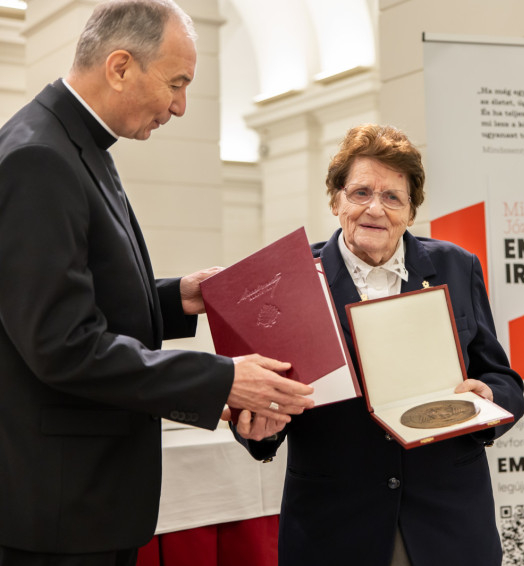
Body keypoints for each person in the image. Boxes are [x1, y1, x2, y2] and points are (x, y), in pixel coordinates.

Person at [0, 1, 314, 564]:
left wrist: (178, 298)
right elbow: (61, 345)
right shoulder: (40, 158)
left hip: (81, 499)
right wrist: (222, 379)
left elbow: (80, 295)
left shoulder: (75, 142)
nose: (180, 106)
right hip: (60, 508)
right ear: (120, 67)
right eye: (176, 83)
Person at [234, 124, 524, 566]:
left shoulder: (457, 266)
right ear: (335, 200)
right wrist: (261, 428)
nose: (375, 208)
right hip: (335, 528)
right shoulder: (288, 281)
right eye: (361, 193)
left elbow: (502, 379)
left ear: (411, 211)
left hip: (449, 523)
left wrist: (487, 397)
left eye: (393, 197)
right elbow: (261, 397)